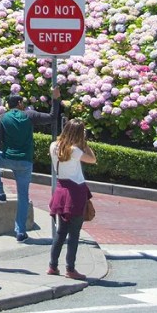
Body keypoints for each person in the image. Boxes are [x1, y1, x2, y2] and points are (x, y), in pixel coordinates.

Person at [0, 93, 54, 242]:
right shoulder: (29, 115)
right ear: (19, 103)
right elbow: (52, 116)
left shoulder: (2, 118)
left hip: (7, 158)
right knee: (23, 196)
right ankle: (20, 231)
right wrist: (55, 99)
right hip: (25, 162)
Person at [49, 119, 97, 280]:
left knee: (61, 231)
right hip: (75, 191)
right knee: (74, 233)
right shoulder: (75, 150)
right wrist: (85, 143)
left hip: (61, 189)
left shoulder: (54, 146)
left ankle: (52, 265)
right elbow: (92, 159)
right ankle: (70, 268)